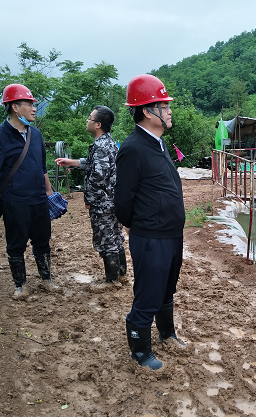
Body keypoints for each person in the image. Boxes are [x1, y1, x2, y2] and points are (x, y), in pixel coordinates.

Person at [114, 74, 186, 371]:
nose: (169, 111)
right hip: (151, 236)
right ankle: (140, 351)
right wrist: (139, 224)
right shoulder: (133, 148)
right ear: (147, 110)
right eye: (164, 106)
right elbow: (122, 200)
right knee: (149, 293)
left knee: (167, 288)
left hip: (171, 233)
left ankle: (167, 333)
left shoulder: (158, 143)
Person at [0, 83, 57, 297]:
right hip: (15, 201)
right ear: (15, 107)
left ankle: (47, 279)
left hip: (39, 199)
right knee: (16, 244)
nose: (34, 109)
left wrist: (49, 193)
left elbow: (42, 167)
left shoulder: (36, 135)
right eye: (29, 104)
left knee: (42, 241)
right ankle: (20, 285)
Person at [55, 106, 126, 290]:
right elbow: (96, 164)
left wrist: (90, 199)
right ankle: (121, 273)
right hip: (112, 200)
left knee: (106, 238)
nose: (87, 121)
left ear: (98, 125)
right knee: (115, 236)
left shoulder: (101, 146)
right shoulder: (108, 142)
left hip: (103, 203)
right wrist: (73, 162)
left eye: (90, 118)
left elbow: (99, 175)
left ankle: (112, 281)